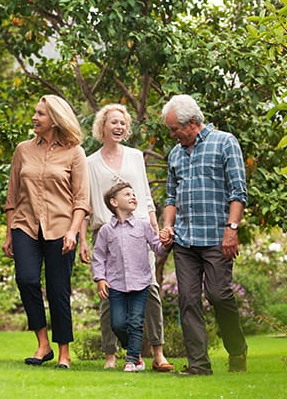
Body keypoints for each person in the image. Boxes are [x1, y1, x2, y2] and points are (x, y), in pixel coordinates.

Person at [78, 104, 174, 372]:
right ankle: (110, 354)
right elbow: (85, 204)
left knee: (151, 291)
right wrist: (83, 240)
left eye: (123, 123)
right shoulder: (90, 162)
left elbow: (145, 197)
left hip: (139, 231)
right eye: (113, 122)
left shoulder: (135, 156)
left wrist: (155, 229)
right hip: (105, 233)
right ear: (102, 127)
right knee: (109, 296)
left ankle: (158, 353)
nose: (119, 127)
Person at [159, 94, 248, 375]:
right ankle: (199, 364)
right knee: (187, 299)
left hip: (217, 238)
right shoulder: (175, 154)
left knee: (219, 295)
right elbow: (171, 197)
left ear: (193, 123)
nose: (173, 135)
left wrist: (232, 230)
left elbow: (238, 192)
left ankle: (237, 350)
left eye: (175, 129)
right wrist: (168, 225)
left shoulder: (225, 143)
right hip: (185, 240)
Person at [2, 95, 90, 369]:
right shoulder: (23, 150)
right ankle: (43, 344)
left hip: (61, 228)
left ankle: (64, 352)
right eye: (35, 113)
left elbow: (81, 200)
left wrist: (73, 232)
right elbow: (12, 196)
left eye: (40, 114)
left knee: (58, 289)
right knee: (27, 280)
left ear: (55, 119)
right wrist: (8, 233)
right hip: (25, 225)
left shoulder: (75, 152)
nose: (34, 118)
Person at [91, 182, 166, 372]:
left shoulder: (143, 225)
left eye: (134, 194)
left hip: (141, 283)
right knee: (117, 324)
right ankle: (132, 349)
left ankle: (133, 360)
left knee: (135, 321)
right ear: (114, 202)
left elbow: (157, 247)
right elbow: (98, 256)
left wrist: (166, 241)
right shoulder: (106, 231)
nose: (133, 197)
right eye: (127, 194)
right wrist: (100, 278)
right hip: (116, 285)